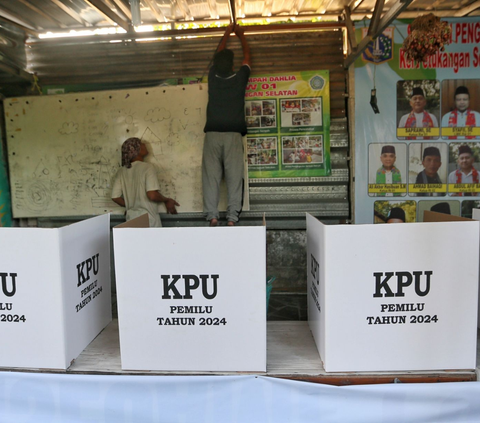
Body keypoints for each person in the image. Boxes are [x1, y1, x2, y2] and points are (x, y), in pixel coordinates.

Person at [202, 23, 251, 227]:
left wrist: (225, 33)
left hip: (212, 135)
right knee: (234, 178)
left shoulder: (212, 78)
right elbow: (247, 58)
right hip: (232, 136)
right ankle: (232, 219)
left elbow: (218, 54)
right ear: (233, 65)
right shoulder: (240, 78)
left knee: (210, 178)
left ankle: (213, 216)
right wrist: (241, 36)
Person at [111, 137, 179, 227]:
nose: (145, 145)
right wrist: (166, 200)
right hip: (149, 221)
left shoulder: (121, 171)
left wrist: (131, 205)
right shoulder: (147, 167)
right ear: (136, 150)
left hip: (131, 220)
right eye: (141, 143)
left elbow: (115, 197)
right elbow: (152, 195)